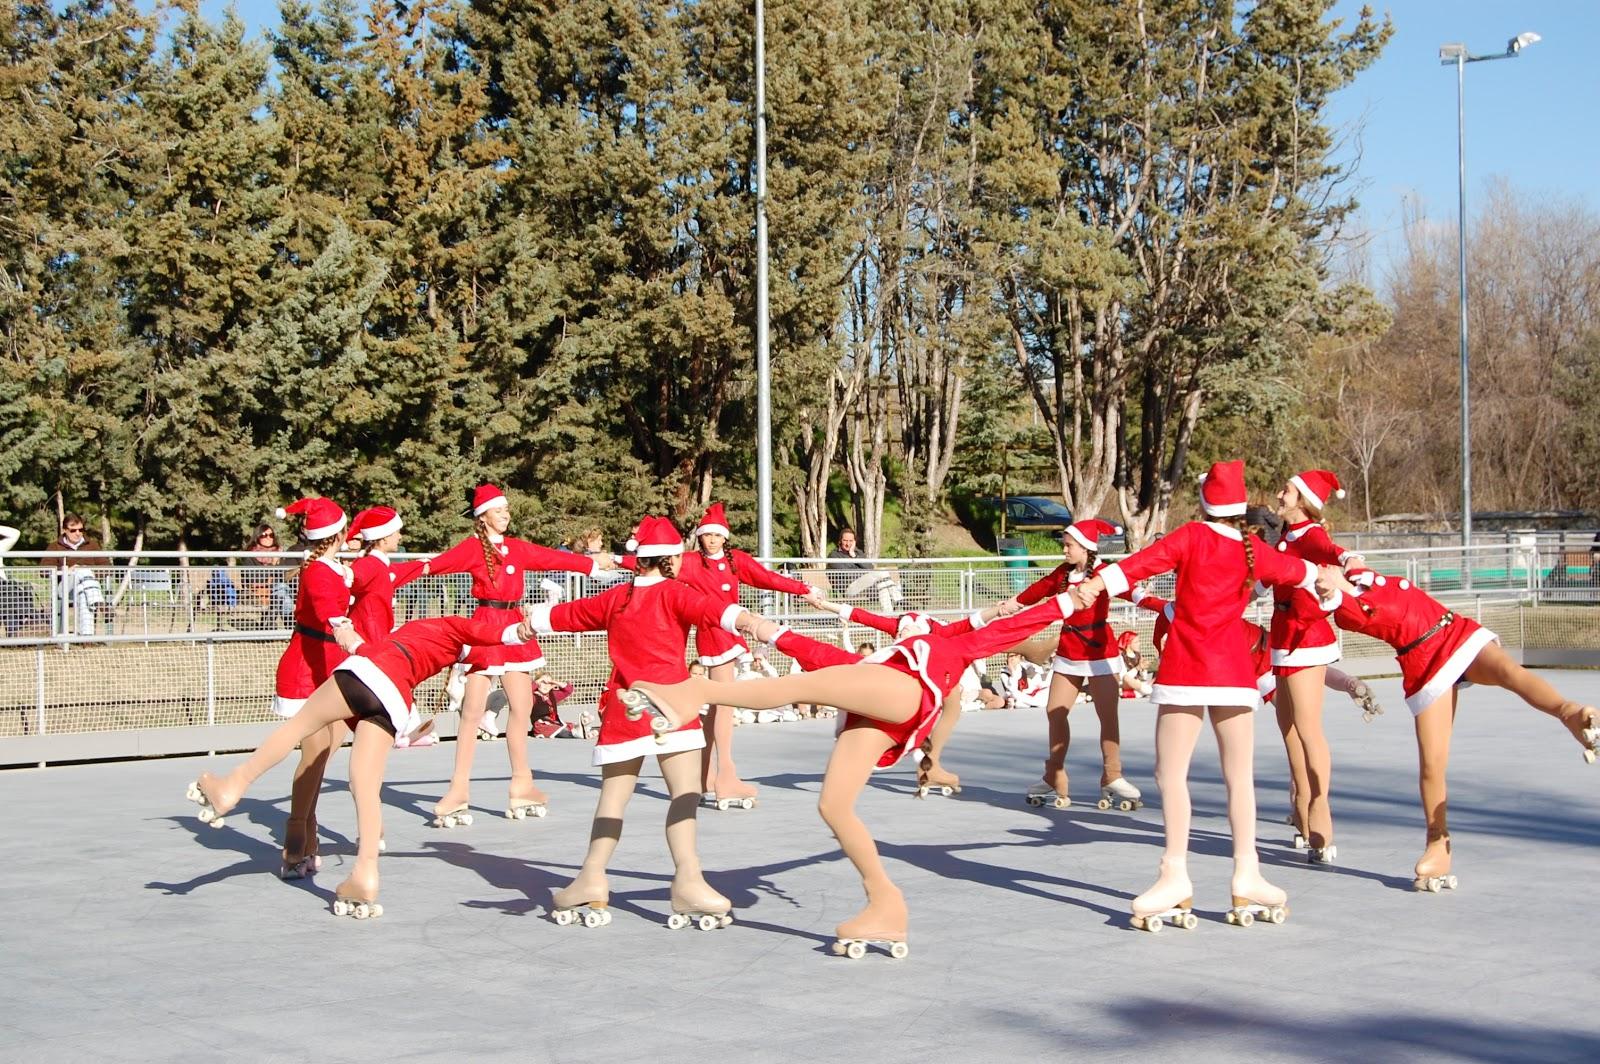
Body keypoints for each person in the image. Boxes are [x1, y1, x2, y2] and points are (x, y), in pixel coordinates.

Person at [618, 592, 1074, 957]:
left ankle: (693, 690)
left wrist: (1073, 596)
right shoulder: (874, 655)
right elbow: (805, 645)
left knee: (802, 685)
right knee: (833, 805)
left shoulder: (946, 639)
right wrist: (760, 624)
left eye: (916, 621)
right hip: (875, 709)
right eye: (906, 621)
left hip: (906, 691)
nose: (911, 623)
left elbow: (1002, 630)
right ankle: (885, 903)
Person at [1066, 459, 1324, 932]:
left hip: (1187, 668)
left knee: (1171, 774)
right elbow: (1302, 571)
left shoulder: (1190, 537)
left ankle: (1175, 874)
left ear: (1206, 502)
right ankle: (1247, 872)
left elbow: (1138, 565)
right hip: (1233, 671)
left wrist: (1097, 582)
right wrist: (1342, 571)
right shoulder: (1252, 548)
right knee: (1238, 777)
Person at [185, 609, 539, 918]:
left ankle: (234, 785)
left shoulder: (452, 625)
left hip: (367, 673)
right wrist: (350, 639)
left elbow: (488, 631)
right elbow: (488, 640)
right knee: (366, 786)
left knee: (298, 725)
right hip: (394, 698)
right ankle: (365, 876)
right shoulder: (458, 654)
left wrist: (517, 630)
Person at [526, 515, 752, 926]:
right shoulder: (675, 594)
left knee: (613, 799)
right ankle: (688, 879)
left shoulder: (617, 598)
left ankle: (592, 877)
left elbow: (564, 615)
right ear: (668, 559)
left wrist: (524, 623)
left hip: (625, 710)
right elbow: (715, 611)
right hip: (670, 709)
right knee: (684, 796)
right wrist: (754, 624)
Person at [1316, 564, 1599, 892]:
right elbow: (1353, 604)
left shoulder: (1362, 574)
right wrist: (1331, 588)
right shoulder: (1346, 609)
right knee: (1432, 765)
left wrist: (1344, 563)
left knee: (1509, 671)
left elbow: (1327, 546)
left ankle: (1573, 715)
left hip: (1455, 634)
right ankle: (1438, 843)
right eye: (1321, 574)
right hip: (1425, 666)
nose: (1325, 569)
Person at [421, 484, 611, 825]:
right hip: (485, 627)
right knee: (472, 711)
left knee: (521, 708)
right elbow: (433, 567)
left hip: (515, 627)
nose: (506, 514)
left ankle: (522, 784)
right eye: (499, 510)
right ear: (483, 517)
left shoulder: (516, 548)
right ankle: (457, 789)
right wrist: (376, 578)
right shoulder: (472, 549)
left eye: (507, 508)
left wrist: (592, 564)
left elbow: (554, 557)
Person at [677, 502, 825, 806]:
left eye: (717, 535)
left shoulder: (736, 561)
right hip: (713, 634)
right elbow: (658, 562)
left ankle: (704, 776)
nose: (712, 540)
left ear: (724, 537)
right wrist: (613, 560)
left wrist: (802, 589)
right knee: (726, 704)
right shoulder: (691, 562)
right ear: (700, 537)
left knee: (717, 707)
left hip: (730, 633)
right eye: (707, 536)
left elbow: (768, 578)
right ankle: (725, 778)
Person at [1002, 518, 1142, 811]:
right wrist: (1013, 603)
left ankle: (1112, 775)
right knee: (1055, 713)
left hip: (1099, 654)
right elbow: (1040, 588)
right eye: (1065, 544)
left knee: (1108, 717)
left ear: (1086, 548)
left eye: (1069, 545)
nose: (1064, 550)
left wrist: (1164, 604)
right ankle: (1054, 776)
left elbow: (1134, 591)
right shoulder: (1064, 575)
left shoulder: (1104, 574)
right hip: (1068, 653)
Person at [1267, 469, 1361, 865]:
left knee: (1308, 731)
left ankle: (1322, 818)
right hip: (1282, 635)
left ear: (1303, 500)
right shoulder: (1285, 538)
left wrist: (1351, 563)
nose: (1279, 493)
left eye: (1286, 490)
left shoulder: (1311, 536)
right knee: (1288, 732)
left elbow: (1337, 554)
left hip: (1307, 639)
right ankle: (1302, 810)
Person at [267, 496, 356, 878]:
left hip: (328, 666)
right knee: (314, 753)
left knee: (324, 752)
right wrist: (345, 629)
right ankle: (296, 842)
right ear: (340, 532)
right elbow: (325, 607)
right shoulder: (319, 571)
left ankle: (308, 832)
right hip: (307, 669)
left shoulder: (333, 566)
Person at [45, 513, 107, 636]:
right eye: (73, 530)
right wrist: (66, 570)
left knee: (84, 593)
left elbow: (107, 567)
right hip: (65, 587)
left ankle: (86, 638)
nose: (78, 533)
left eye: (81, 529)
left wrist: (89, 573)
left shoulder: (92, 545)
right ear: (64, 530)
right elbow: (44, 570)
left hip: (86, 588)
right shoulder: (55, 547)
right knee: (81, 571)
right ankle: (100, 604)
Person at [826, 527, 903, 612]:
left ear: (854, 541)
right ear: (840, 541)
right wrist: (864, 572)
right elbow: (847, 575)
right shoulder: (834, 555)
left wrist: (854, 556)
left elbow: (870, 568)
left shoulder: (857, 552)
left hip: (868, 588)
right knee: (881, 573)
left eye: (851, 541)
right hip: (850, 590)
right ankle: (899, 600)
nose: (848, 544)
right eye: (845, 540)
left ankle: (888, 616)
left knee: (882, 585)